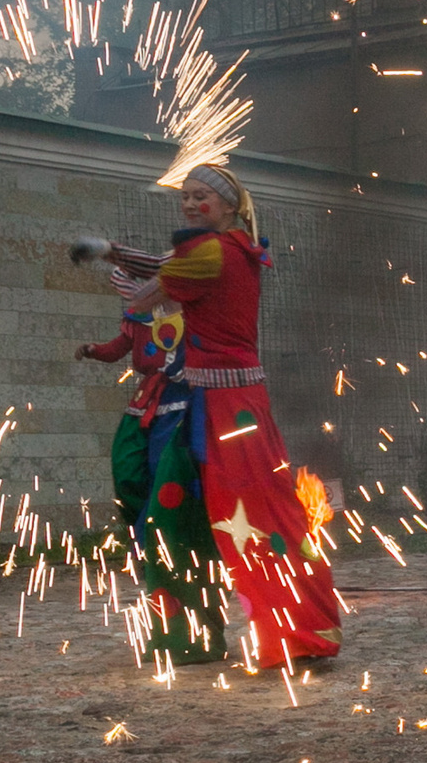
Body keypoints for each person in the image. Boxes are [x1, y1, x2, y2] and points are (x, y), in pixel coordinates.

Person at [111, 164, 342, 668]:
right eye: (186, 197)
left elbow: (147, 296)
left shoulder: (209, 252)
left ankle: (300, 631)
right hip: (208, 404)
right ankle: (189, 634)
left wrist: (113, 267)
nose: (192, 205)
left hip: (228, 410)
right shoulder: (228, 248)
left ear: (229, 205)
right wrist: (115, 254)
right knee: (174, 513)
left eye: (202, 197)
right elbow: (164, 269)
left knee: (259, 516)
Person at [75, 288, 219, 662]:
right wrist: (93, 350)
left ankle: (192, 629)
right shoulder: (138, 318)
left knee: (169, 510)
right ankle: (144, 528)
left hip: (185, 410)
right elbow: (117, 348)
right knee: (129, 475)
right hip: (146, 411)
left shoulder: (197, 313)